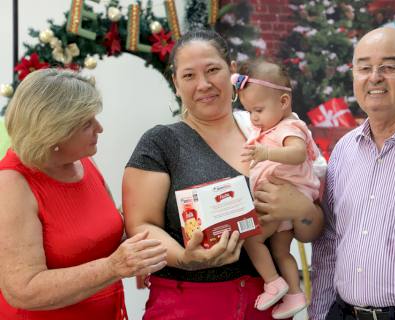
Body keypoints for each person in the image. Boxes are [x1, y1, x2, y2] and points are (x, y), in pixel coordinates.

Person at [122, 29, 324, 320]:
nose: (203, 84)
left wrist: (301, 207)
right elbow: (140, 226)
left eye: (213, 70)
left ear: (232, 72)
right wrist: (186, 258)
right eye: (189, 75)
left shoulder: (272, 136)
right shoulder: (161, 143)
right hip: (188, 306)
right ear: (176, 83)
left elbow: (312, 229)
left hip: (266, 308)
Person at [0, 69, 168, 320]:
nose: (99, 129)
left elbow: (103, 235)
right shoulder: (12, 183)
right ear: (54, 131)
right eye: (87, 123)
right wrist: (114, 267)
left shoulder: (81, 160)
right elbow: (23, 289)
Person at [309, 27, 395, 320]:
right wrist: (319, 314)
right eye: (363, 67)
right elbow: (329, 246)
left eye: (388, 66)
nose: (374, 77)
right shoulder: (345, 150)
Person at [231, 59, 320, 319]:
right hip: (283, 204)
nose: (253, 117)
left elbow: (297, 153)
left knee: (252, 238)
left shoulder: (290, 127)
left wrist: (266, 152)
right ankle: (294, 293)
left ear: (283, 102)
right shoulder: (268, 127)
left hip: (282, 202)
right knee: (281, 251)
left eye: (258, 109)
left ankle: (273, 282)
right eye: (248, 111)